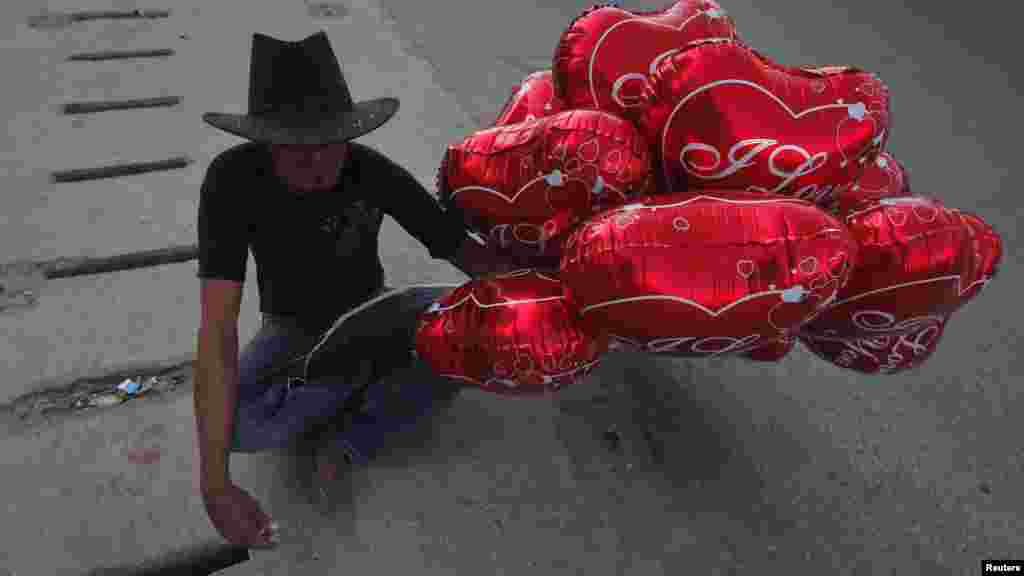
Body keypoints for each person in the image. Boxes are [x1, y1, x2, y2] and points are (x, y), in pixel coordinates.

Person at [194, 31, 509, 549]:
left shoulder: (371, 171)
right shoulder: (230, 181)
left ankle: (351, 438)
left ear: (349, 133)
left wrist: (542, 292)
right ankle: (366, 374)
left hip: (375, 308)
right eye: (296, 149)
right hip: (292, 327)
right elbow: (217, 329)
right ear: (266, 140)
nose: (316, 162)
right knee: (238, 426)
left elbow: (462, 251)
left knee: (476, 336)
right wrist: (214, 484)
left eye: (329, 144)